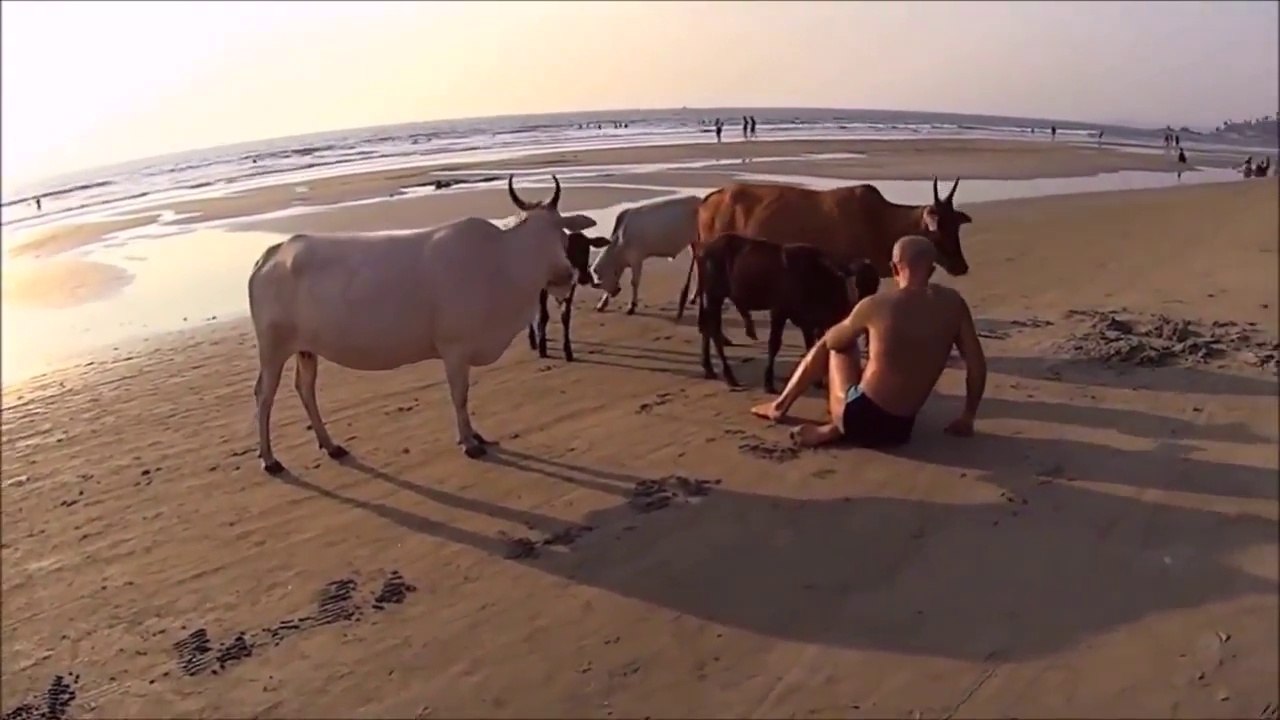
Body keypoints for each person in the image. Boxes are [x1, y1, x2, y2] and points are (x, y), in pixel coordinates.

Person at [751, 235, 987, 448]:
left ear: (894, 268)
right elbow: (977, 365)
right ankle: (837, 428)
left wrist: (853, 322)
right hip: (901, 430)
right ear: (932, 269)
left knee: (835, 343)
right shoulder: (954, 304)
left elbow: (833, 341)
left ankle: (781, 407)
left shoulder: (877, 305)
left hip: (859, 418)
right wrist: (967, 417)